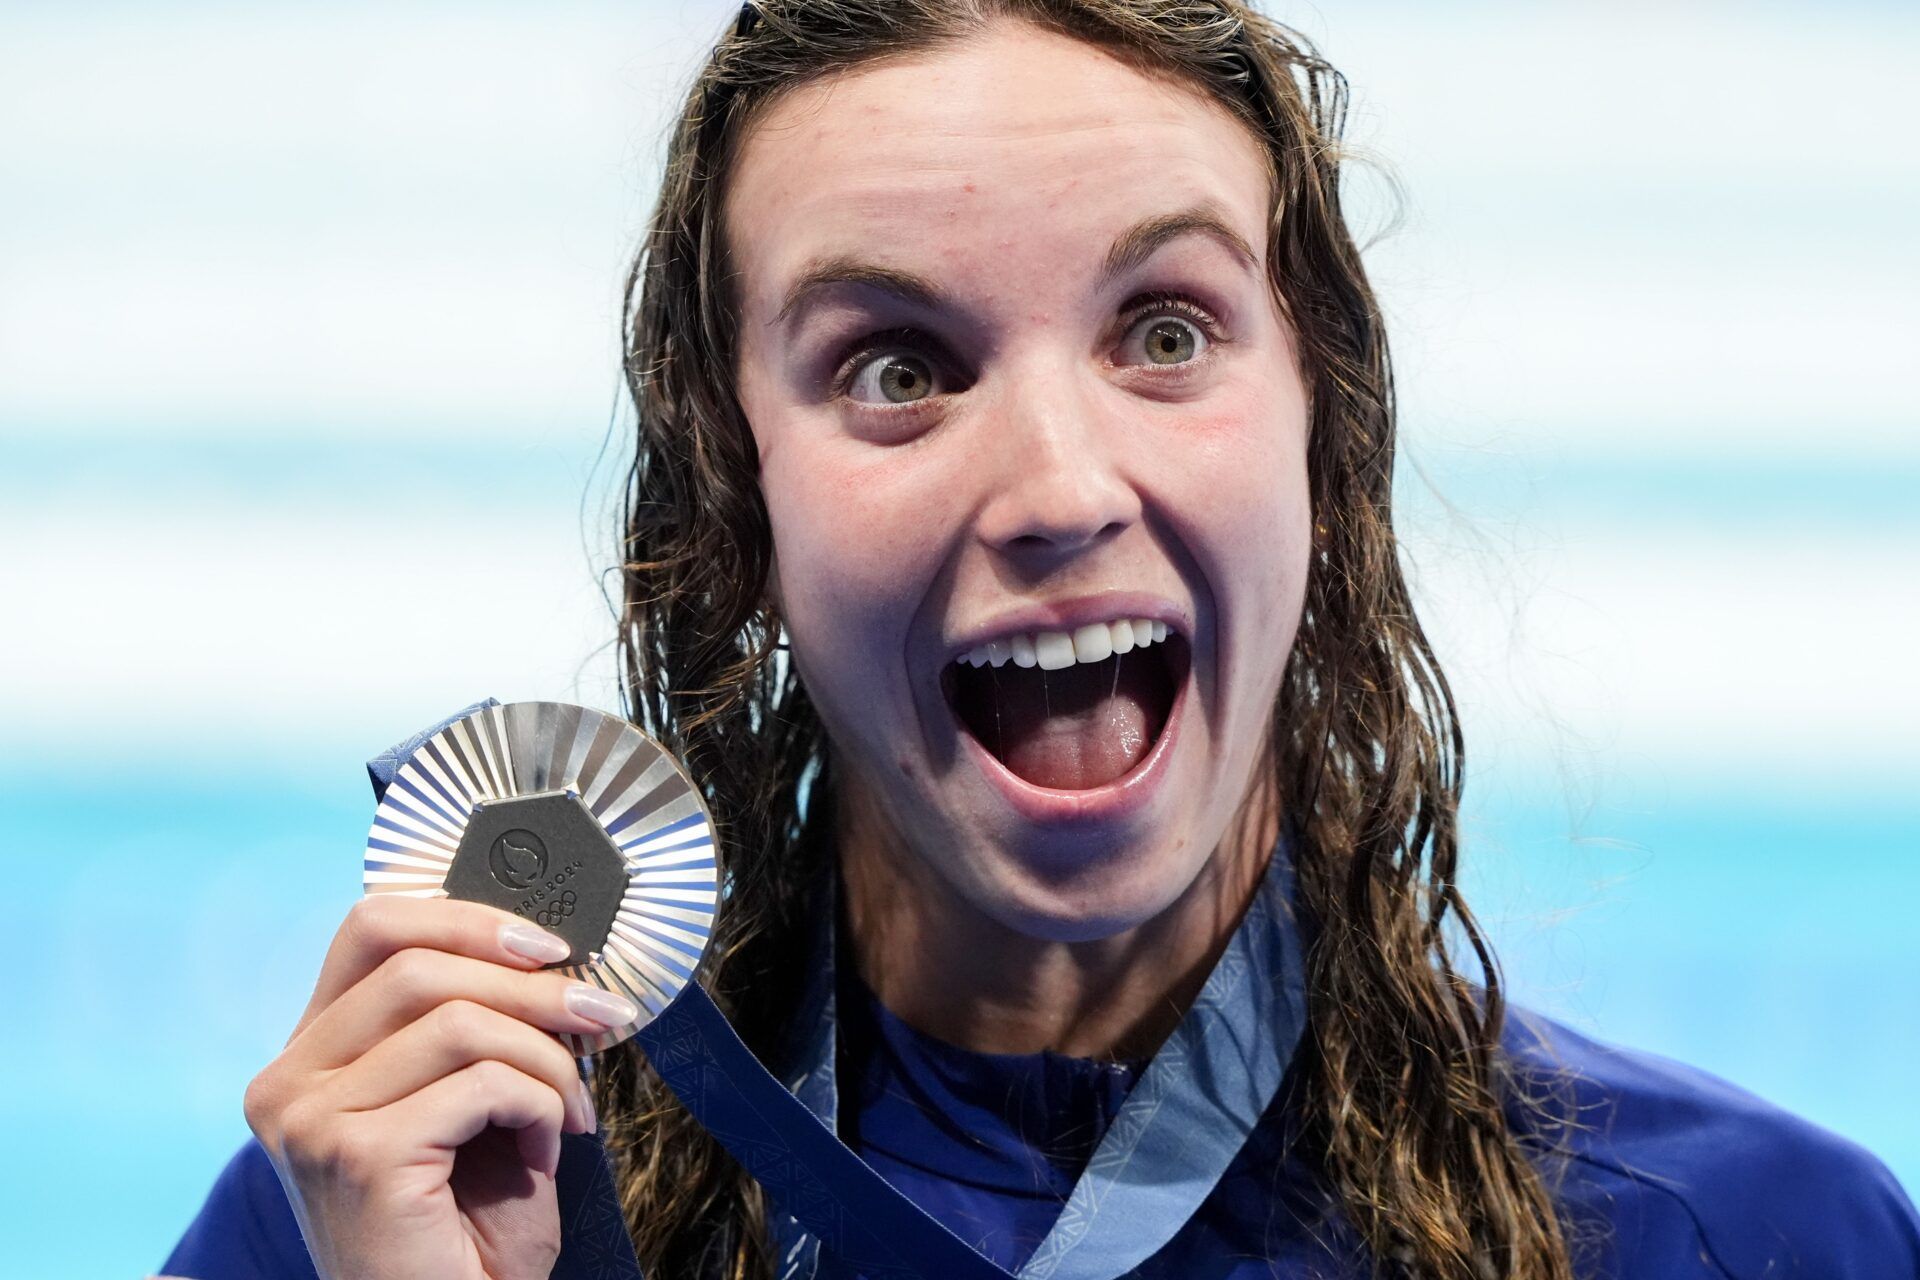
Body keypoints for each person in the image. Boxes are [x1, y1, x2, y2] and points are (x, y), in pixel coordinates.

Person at [160, 2, 1920, 1278]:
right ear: (736, 497)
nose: (1060, 487)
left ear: (1324, 419)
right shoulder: (409, 1209)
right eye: (898, 370)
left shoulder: (1750, 1241)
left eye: (1164, 330)